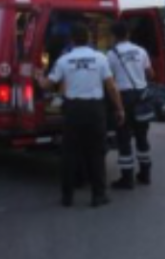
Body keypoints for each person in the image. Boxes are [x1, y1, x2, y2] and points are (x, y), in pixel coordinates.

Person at [38, 23, 125, 208]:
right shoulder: (100, 58)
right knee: (96, 153)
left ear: (71, 40)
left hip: (73, 110)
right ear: (89, 39)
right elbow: (111, 86)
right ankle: (98, 196)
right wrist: (119, 109)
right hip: (94, 110)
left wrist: (38, 77)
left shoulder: (64, 60)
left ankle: (67, 197)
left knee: (69, 155)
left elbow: (47, 85)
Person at [106, 21, 155, 189]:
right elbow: (151, 73)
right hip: (141, 96)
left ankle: (127, 179)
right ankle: (145, 174)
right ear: (128, 34)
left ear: (113, 36)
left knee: (124, 138)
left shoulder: (111, 54)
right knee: (142, 137)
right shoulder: (141, 51)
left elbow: (108, 80)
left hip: (123, 98)